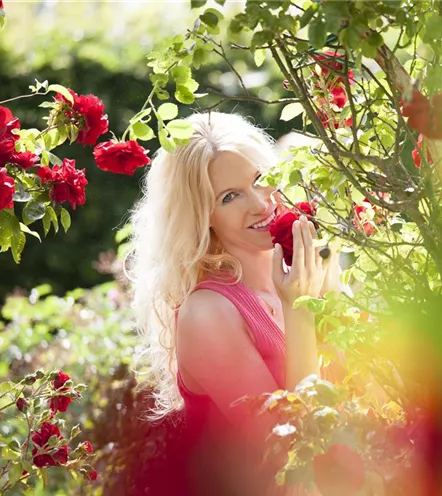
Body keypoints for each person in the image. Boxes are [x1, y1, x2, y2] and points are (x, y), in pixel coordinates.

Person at [127, 111, 340, 495]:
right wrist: (301, 311)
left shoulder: (300, 274)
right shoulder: (207, 313)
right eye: (230, 197)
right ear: (202, 216)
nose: (261, 204)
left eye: (261, 179)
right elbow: (292, 461)